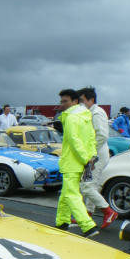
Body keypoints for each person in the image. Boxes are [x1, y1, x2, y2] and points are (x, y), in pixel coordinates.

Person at [55, 89, 98, 237]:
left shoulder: (71, 118)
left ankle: (88, 226)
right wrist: (91, 156)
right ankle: (62, 222)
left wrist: (85, 158)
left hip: (72, 162)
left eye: (65, 101)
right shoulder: (86, 117)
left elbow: (74, 141)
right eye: (61, 101)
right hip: (81, 162)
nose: (62, 104)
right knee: (66, 193)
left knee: (71, 194)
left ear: (75, 101)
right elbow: (92, 138)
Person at [78, 87, 117, 228]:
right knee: (91, 186)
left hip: (96, 157)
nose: (80, 104)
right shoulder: (90, 112)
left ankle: (108, 211)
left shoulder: (96, 113)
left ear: (91, 100)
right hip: (94, 156)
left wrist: (90, 153)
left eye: (82, 100)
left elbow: (102, 135)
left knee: (86, 186)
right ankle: (88, 214)